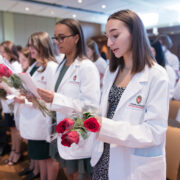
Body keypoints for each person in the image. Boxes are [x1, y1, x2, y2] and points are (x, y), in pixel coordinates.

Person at [90, 9, 169, 180]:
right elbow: (106, 112)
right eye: (107, 37)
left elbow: (154, 132)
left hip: (133, 166)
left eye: (115, 36)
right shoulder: (113, 71)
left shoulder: (157, 75)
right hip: (104, 156)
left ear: (135, 34)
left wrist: (105, 127)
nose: (109, 43)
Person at [37, 18, 101, 180]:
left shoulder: (86, 67)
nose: (57, 42)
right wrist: (39, 95)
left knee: (78, 174)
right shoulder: (61, 65)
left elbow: (91, 107)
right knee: (68, 173)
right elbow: (54, 95)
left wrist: (56, 98)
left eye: (61, 37)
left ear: (76, 38)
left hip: (79, 132)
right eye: (55, 38)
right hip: (61, 128)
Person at [16, 32, 58, 180]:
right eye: (29, 45)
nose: (30, 49)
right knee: (40, 157)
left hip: (43, 120)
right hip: (32, 118)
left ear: (43, 46)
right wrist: (24, 95)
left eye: (33, 45)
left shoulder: (52, 67)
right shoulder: (34, 65)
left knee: (47, 157)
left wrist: (29, 100)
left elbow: (52, 98)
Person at [0, 41, 22, 165]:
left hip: (14, 101)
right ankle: (13, 150)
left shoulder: (16, 65)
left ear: (9, 51)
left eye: (3, 51)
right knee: (12, 128)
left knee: (16, 129)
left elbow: (17, 83)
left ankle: (17, 152)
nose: (2, 54)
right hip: (6, 102)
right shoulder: (4, 63)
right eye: (1, 52)